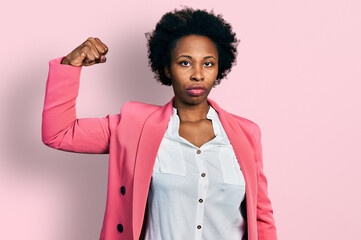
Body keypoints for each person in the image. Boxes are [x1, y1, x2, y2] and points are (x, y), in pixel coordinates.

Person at [41, 6, 277, 240]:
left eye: (208, 63)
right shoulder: (134, 126)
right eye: (185, 63)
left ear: (219, 67)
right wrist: (70, 65)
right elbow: (60, 133)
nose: (197, 74)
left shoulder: (246, 134)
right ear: (167, 67)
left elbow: (261, 218)